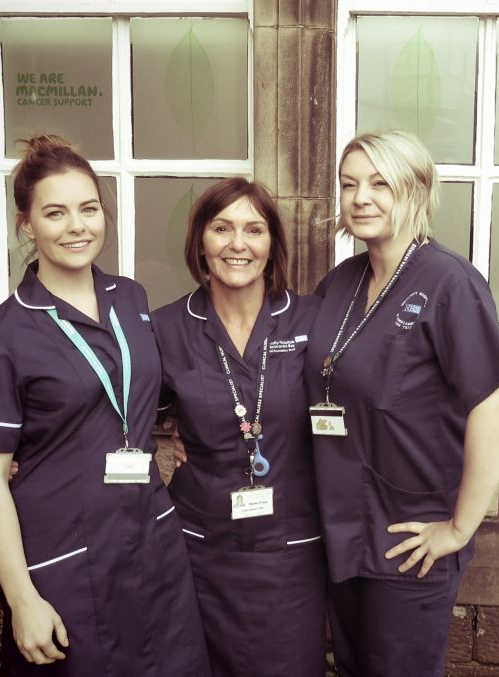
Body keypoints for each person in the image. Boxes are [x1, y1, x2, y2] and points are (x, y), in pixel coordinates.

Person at [0, 134, 210, 676]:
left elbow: (148, 391)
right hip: (63, 561)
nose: (77, 226)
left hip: (153, 544)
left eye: (88, 208)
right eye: (55, 212)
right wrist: (22, 599)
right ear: (27, 225)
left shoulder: (131, 299)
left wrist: (189, 427)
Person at [305, 130, 499, 677]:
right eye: (349, 183)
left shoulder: (450, 283)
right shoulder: (340, 283)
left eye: (381, 183)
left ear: (418, 191)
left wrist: (458, 529)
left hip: (409, 541)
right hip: (342, 528)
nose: (361, 197)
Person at [152, 178, 327, 677]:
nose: (237, 244)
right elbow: (116, 414)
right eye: (221, 228)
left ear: (272, 245)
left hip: (291, 549)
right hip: (200, 546)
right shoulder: (164, 328)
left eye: (254, 229)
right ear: (200, 244)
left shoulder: (313, 320)